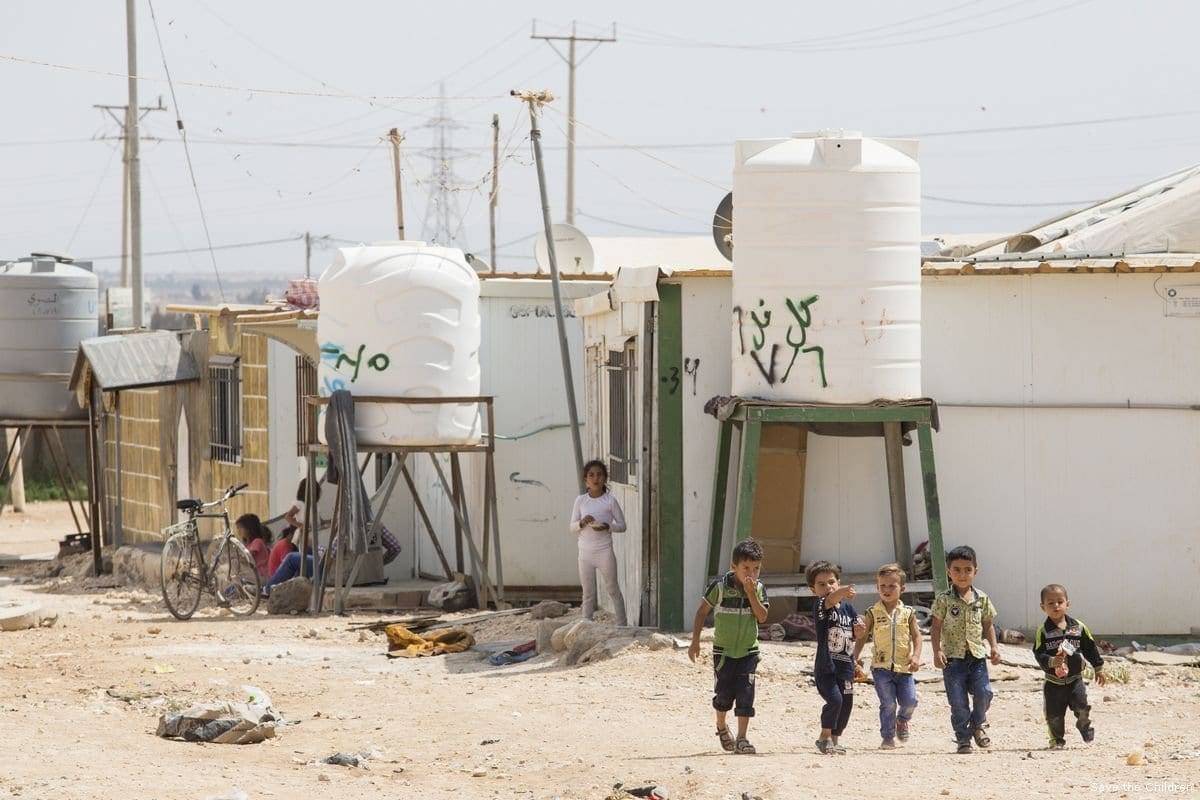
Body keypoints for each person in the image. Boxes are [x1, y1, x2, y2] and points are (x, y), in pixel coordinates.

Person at [687, 538, 769, 755]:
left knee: (746, 693)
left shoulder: (759, 589)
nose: (751, 573)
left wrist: (751, 594)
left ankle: (742, 738)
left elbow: (762, 617)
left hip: (748, 651)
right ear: (734, 567)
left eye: (756, 568)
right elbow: (701, 612)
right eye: (746, 568)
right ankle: (722, 725)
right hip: (723, 651)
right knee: (723, 694)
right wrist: (695, 641)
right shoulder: (720, 587)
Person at [930, 544, 1001, 754]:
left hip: (977, 656)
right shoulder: (943, 599)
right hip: (953, 660)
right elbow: (935, 627)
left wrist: (994, 647)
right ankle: (963, 738)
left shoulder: (982, 599)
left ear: (975, 571)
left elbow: (988, 624)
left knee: (985, 693)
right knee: (958, 703)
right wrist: (936, 651)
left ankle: (978, 724)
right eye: (957, 570)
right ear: (949, 571)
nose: (962, 575)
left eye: (967, 570)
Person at [853, 563, 922, 750]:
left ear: (902, 588)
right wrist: (854, 657)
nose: (887, 590)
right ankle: (888, 736)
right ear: (877, 588)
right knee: (888, 703)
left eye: (892, 586)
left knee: (910, 701)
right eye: (883, 586)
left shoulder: (908, 613)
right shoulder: (872, 613)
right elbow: (862, 637)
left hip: (904, 668)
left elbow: (917, 636)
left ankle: (902, 720)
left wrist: (915, 656)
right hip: (881, 668)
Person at [1033, 583, 1106, 750]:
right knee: (1054, 716)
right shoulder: (1043, 631)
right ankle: (1057, 740)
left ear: (1067, 603)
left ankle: (1084, 727)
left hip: (1075, 680)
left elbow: (1090, 648)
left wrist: (1098, 667)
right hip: (1053, 683)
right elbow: (1038, 654)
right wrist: (1051, 662)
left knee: (1082, 707)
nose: (1056, 606)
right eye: (1050, 603)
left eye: (1060, 601)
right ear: (1043, 607)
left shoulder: (1078, 627)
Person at [807, 560, 866, 754]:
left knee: (846, 704)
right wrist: (842, 592)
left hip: (846, 666)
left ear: (838, 582)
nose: (827, 587)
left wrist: (859, 631)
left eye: (831, 582)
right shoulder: (821, 606)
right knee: (835, 700)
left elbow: (858, 633)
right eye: (821, 584)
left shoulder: (848, 609)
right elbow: (830, 600)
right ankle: (824, 737)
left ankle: (835, 739)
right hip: (827, 666)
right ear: (812, 589)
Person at [569, 459, 628, 626]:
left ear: (605, 478)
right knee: (588, 593)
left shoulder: (610, 501)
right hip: (585, 553)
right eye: (591, 475)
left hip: (604, 551)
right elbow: (571, 527)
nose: (596, 478)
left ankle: (622, 625)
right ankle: (586, 624)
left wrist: (607, 527)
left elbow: (622, 526)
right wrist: (582, 523)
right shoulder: (580, 501)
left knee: (612, 589)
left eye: (600, 474)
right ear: (585, 479)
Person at [235, 513, 271, 578]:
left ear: (249, 528)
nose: (238, 530)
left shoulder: (257, 542)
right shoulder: (248, 545)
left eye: (240, 527)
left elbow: (248, 558)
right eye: (238, 528)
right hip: (255, 575)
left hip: (262, 575)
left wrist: (234, 557)